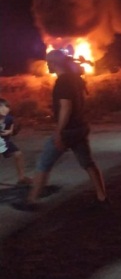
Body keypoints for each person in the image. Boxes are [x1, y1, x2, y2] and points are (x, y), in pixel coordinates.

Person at [12, 50, 108, 211]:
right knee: (88, 163)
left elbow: (66, 107)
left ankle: (31, 201)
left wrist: (59, 132)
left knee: (43, 163)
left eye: (48, 62)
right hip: (80, 127)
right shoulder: (74, 79)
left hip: (68, 131)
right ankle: (102, 198)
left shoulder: (63, 82)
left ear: (55, 63)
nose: (47, 65)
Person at [0, 98, 32, 186]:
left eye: (6, 107)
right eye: (1, 107)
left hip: (4, 141)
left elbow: (12, 130)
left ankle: (22, 178)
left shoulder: (9, 119)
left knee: (18, 154)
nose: (4, 109)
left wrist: (9, 132)